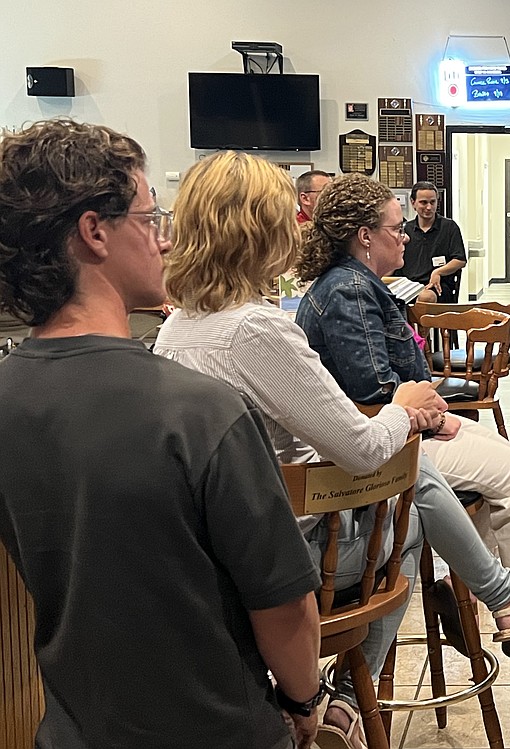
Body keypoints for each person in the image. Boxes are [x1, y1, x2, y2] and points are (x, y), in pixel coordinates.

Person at [155, 153, 510, 706]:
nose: (299, 225)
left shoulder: (178, 329)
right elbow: (364, 444)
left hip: (218, 546)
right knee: (408, 494)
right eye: (289, 214)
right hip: (283, 558)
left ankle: (483, 612)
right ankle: (360, 689)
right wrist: (408, 407)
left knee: (414, 495)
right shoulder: (256, 330)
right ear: (260, 229)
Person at [0, 119, 323, 748]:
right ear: (95, 232)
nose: (166, 243)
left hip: (74, 728)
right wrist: (303, 699)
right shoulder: (199, 411)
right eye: (151, 222)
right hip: (219, 729)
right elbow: (287, 611)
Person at [296, 173, 510, 596]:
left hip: (406, 429)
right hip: (389, 445)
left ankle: (485, 594)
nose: (405, 239)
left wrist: (433, 413)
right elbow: (375, 394)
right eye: (396, 229)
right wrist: (433, 422)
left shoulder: (354, 284)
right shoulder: (351, 290)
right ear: (365, 236)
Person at [395, 180, 467, 302]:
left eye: (432, 202)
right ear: (413, 203)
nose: (429, 207)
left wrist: (438, 272)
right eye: (423, 202)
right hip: (407, 285)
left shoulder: (449, 227)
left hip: (437, 286)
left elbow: (460, 260)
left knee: (425, 297)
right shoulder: (405, 230)